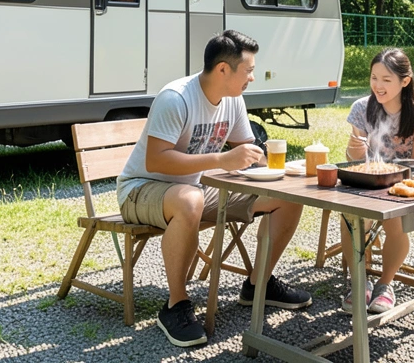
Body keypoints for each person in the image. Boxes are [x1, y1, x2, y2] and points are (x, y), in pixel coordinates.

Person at [116, 30, 311, 348]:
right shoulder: (176, 97)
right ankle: (175, 306)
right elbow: (156, 160)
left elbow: (245, 145)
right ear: (224, 69)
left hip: (192, 188)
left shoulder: (233, 100)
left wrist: (259, 159)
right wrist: (222, 158)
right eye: (248, 71)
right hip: (142, 188)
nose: (252, 78)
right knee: (189, 200)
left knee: (287, 196)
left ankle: (257, 284)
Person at [342, 47, 414, 314]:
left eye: (386, 80)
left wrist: (391, 178)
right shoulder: (362, 108)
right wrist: (355, 146)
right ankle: (359, 282)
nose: (378, 86)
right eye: (374, 78)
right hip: (366, 184)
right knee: (351, 217)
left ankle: (385, 284)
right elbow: (353, 159)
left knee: (393, 218)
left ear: (404, 81)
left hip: (400, 186)